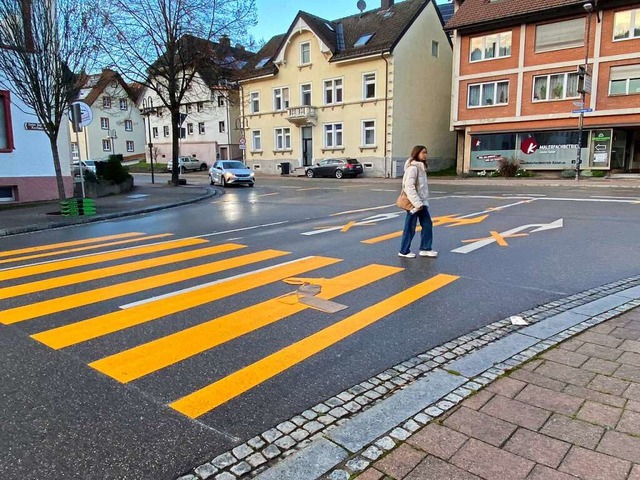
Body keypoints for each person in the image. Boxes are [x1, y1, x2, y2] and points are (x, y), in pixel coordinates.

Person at [398, 145, 437, 259]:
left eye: (426, 152)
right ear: (417, 154)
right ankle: (404, 251)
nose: (425, 154)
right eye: (423, 152)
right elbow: (409, 187)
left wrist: (422, 202)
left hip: (421, 202)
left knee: (427, 224)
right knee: (410, 227)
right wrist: (417, 203)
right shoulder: (413, 168)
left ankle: (425, 248)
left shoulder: (421, 167)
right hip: (414, 203)